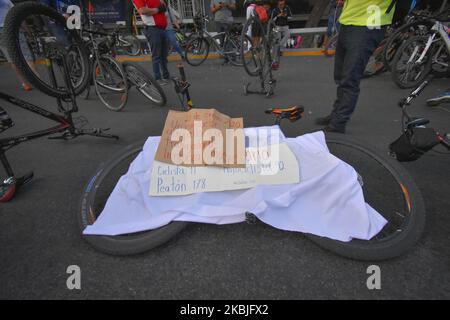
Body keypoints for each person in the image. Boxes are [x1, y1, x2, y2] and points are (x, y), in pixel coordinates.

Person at [315, 0, 395, 133]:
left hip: (368, 24)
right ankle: (336, 113)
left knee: (350, 77)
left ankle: (339, 123)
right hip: (348, 21)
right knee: (341, 75)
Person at [0, 0, 37, 91]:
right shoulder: (6, 1)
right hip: (11, 28)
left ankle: (25, 83)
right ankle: (36, 80)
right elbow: (18, 15)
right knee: (26, 54)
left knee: (12, 58)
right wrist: (28, 31)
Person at [132, 0, 170, 86]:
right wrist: (157, 10)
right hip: (152, 28)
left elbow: (163, 5)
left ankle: (165, 76)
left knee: (163, 54)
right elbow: (142, 10)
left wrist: (158, 7)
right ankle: (158, 78)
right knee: (156, 55)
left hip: (161, 28)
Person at [271, 0, 292, 69]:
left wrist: (286, 16)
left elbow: (291, 17)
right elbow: (272, 20)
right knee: (278, 38)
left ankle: (280, 46)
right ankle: (279, 51)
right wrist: (277, 16)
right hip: (277, 26)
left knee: (288, 34)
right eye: (280, 4)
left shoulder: (287, 8)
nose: (281, 5)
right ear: (278, 4)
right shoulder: (275, 10)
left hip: (285, 26)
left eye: (283, 4)